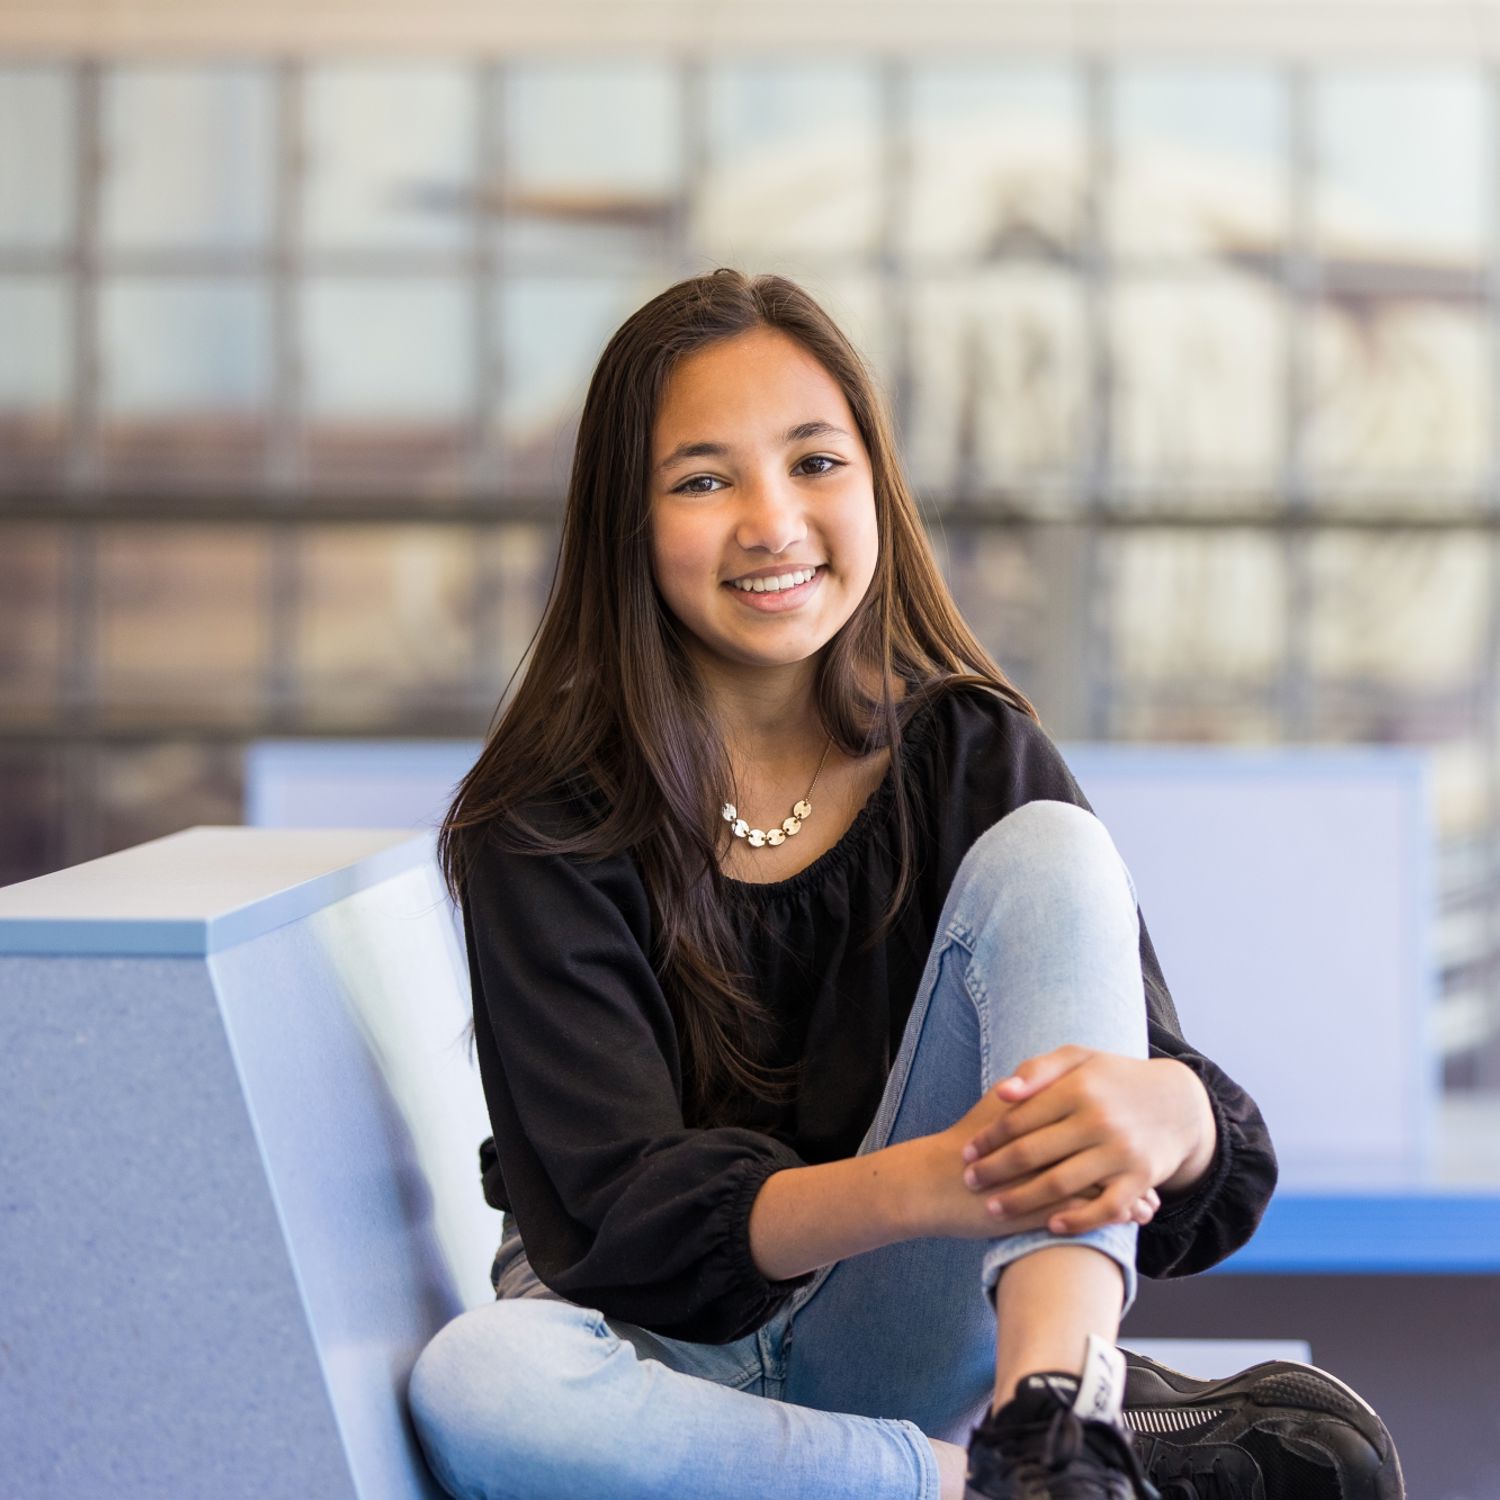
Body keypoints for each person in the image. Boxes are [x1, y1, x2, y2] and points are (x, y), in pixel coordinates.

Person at [406, 268, 1405, 1500]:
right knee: (479, 1387)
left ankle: (1061, 1428)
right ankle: (957, 1483)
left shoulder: (979, 757)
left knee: (1053, 848)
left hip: (922, 1328)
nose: (772, 523)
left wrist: (1179, 1119)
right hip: (656, 1363)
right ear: (628, 520)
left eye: (815, 462)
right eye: (704, 480)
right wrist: (933, 1179)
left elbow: (1145, 1144)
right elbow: (622, 1222)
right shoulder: (546, 818)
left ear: (875, 480)